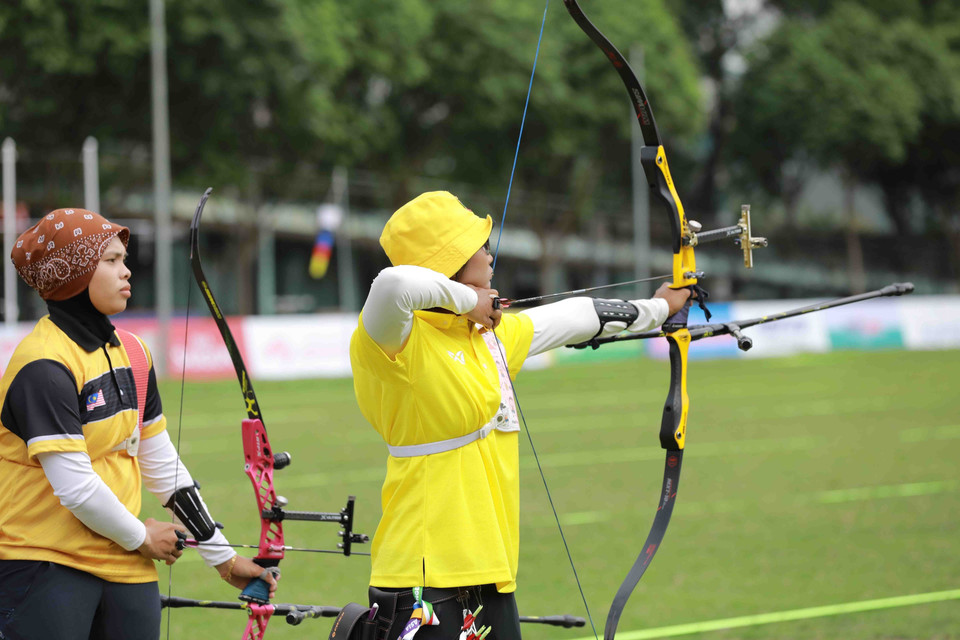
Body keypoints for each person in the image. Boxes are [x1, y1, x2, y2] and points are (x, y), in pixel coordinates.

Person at [349, 192, 690, 640]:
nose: (489, 252)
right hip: (422, 578)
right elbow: (394, 285)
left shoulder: (488, 336)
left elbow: (575, 317)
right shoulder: (393, 340)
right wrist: (466, 301)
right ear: (448, 262)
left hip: (490, 568)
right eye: (476, 245)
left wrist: (659, 308)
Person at [0, 208, 277, 640]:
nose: (126, 271)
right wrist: (141, 537)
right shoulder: (42, 364)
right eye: (110, 261)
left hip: (126, 563)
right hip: (44, 563)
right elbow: (76, 487)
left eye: (123, 260)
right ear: (74, 274)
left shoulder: (133, 351)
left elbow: (161, 465)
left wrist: (223, 559)